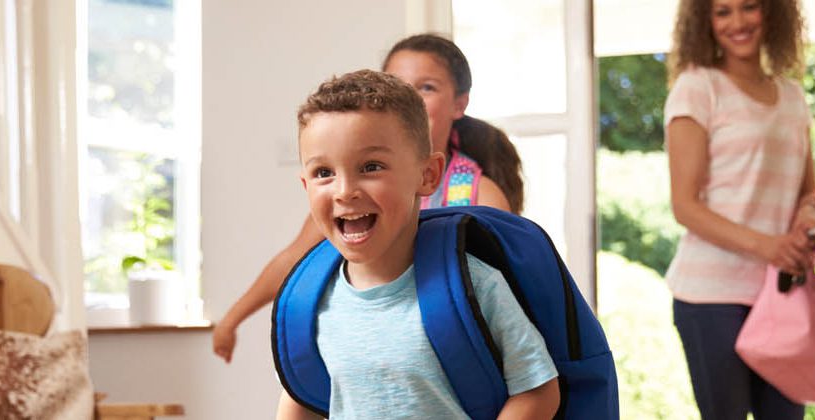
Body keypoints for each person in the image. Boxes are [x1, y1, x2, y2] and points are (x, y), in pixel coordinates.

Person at [212, 34, 524, 363]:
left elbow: (504, 302)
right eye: (399, 84)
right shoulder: (347, 196)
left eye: (427, 87)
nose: (346, 191)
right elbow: (294, 258)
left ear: (460, 103)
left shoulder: (479, 193)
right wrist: (233, 318)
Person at [275, 69, 559, 419]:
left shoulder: (474, 284)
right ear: (305, 185)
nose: (344, 190)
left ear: (427, 175)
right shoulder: (308, 301)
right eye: (323, 173)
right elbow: (301, 398)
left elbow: (538, 389)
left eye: (371, 166)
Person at [663, 0, 815, 418]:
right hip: (710, 293)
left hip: (781, 293)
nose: (738, 22)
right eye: (722, 12)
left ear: (771, 12)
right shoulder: (698, 88)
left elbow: (807, 191)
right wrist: (769, 246)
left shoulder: (792, 96)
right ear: (705, 22)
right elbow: (685, 205)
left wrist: (807, 222)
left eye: (749, 7)